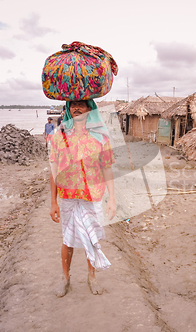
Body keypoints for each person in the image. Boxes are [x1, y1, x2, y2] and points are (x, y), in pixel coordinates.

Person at [49, 99, 116, 297]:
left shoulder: (101, 138)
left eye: (81, 104)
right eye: (72, 104)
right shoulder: (59, 137)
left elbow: (107, 168)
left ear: (89, 109)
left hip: (92, 196)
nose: (76, 107)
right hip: (68, 196)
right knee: (67, 240)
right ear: (68, 109)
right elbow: (53, 172)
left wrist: (112, 198)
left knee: (92, 238)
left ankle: (92, 277)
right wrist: (53, 202)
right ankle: (66, 278)